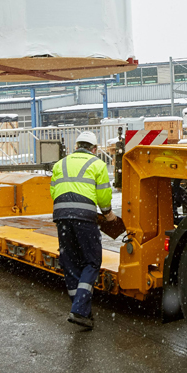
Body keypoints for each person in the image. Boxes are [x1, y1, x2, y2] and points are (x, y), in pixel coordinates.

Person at [50, 131, 114, 330]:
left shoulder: (60, 164)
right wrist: (108, 213)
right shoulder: (97, 164)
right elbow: (103, 194)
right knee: (92, 261)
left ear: (76, 146)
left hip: (61, 216)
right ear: (94, 149)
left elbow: (53, 191)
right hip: (84, 217)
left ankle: (82, 312)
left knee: (70, 262)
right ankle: (79, 309)